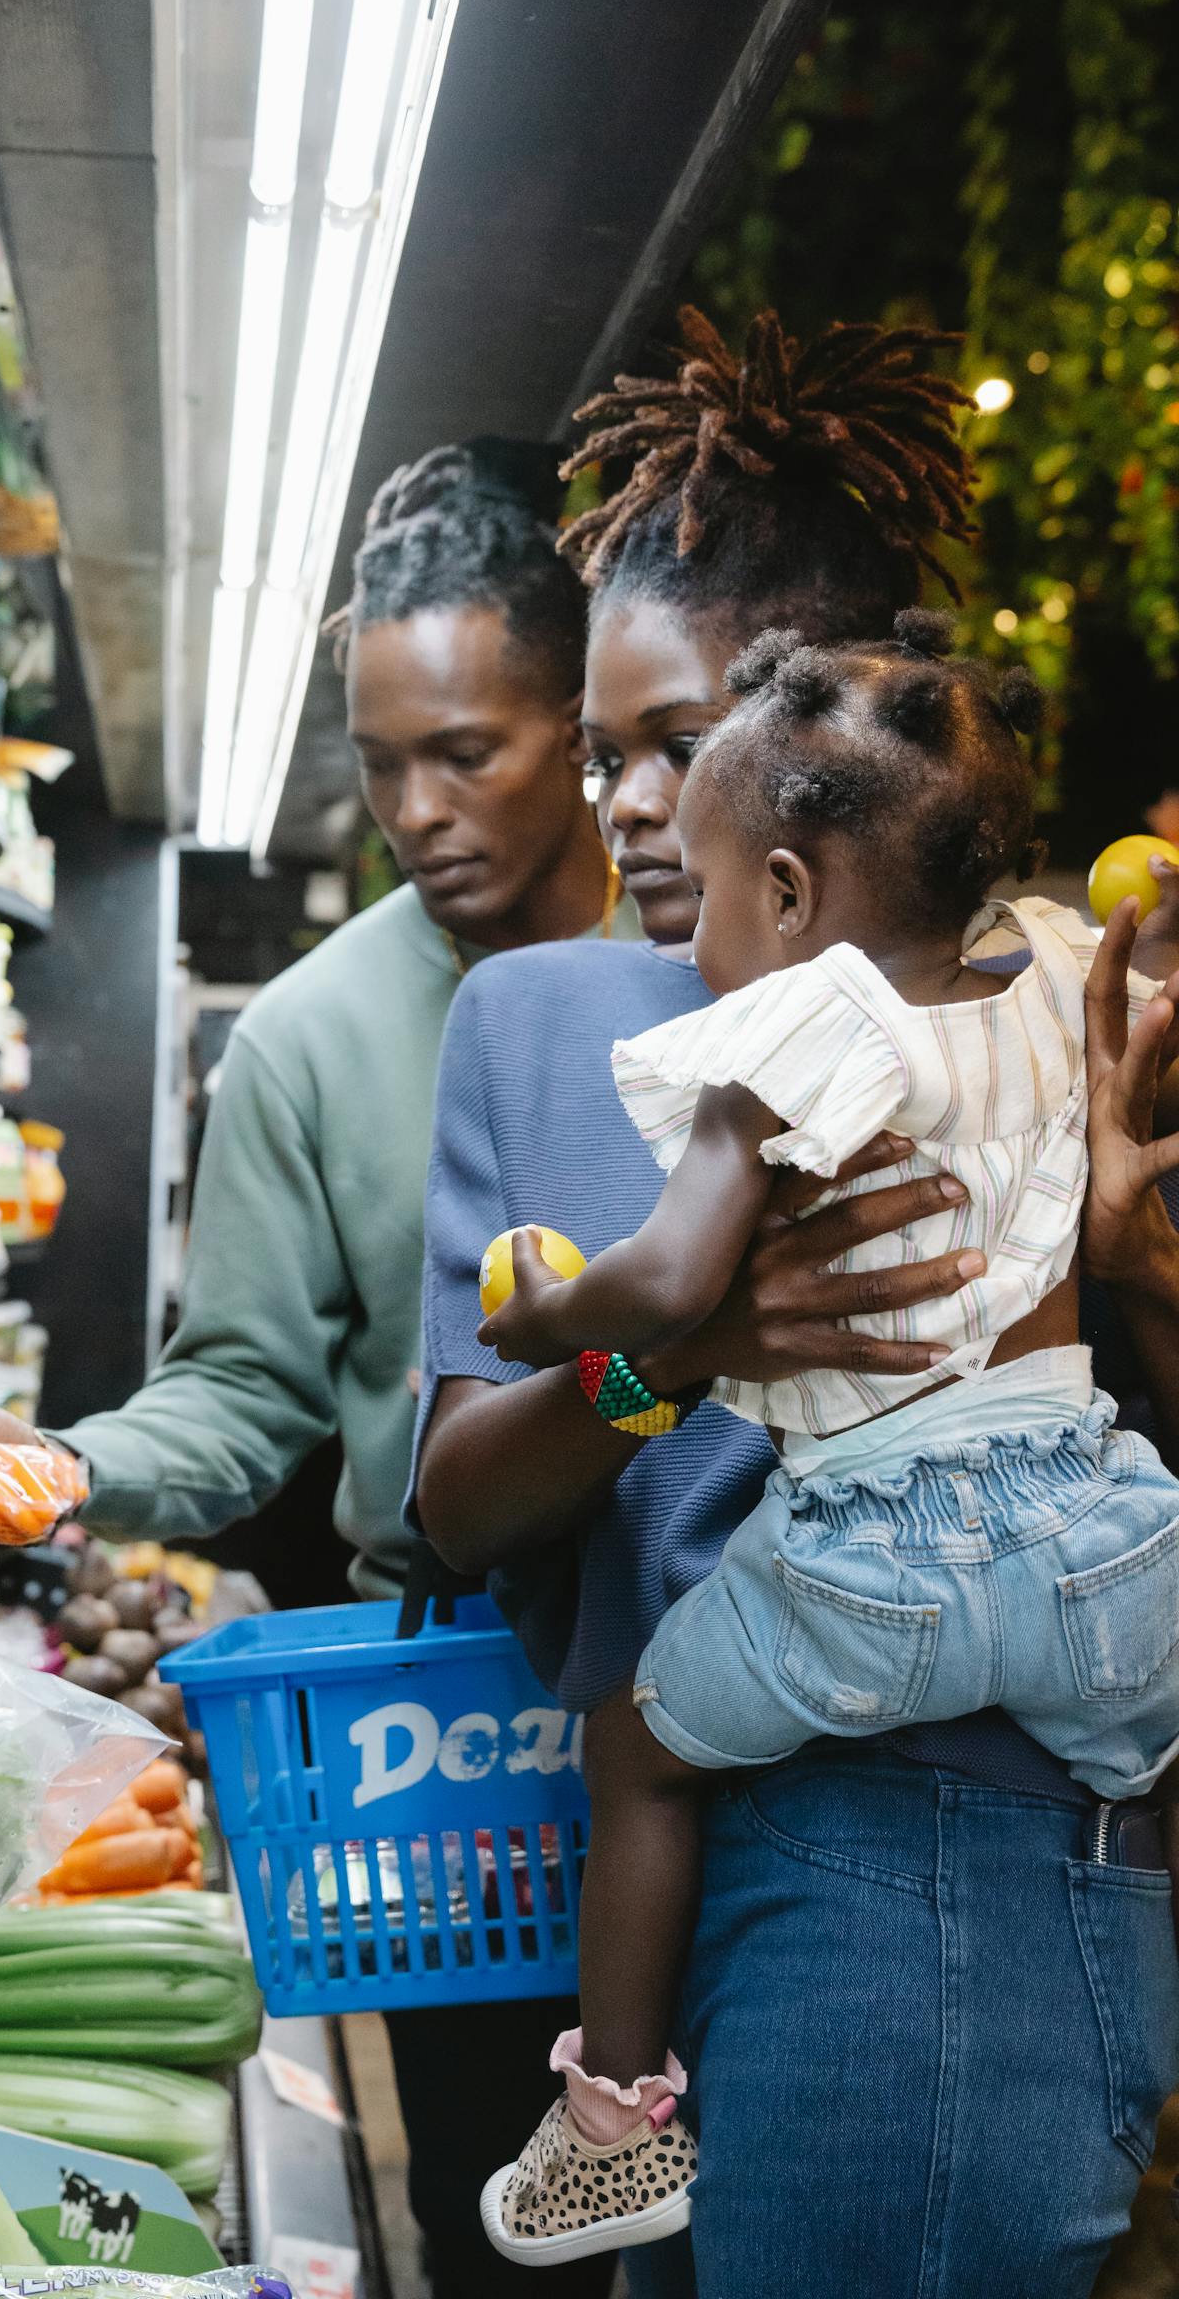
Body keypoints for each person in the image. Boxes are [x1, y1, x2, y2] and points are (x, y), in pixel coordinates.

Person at [0, 431, 991, 2299]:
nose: (425, 810)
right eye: (380, 765)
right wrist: (51, 1464)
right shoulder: (323, 1039)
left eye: (481, 751)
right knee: (500, 2241)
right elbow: (253, 1385)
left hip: (817, 1746)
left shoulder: (767, 954)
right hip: (458, 1718)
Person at [412, 307, 1179, 2298]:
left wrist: (1124, 1252)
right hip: (678, 1870)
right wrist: (683, 1351)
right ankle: (612, 2125)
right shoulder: (530, 1021)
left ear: (816, 739)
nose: (631, 811)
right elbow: (456, 1504)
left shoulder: (1043, 987)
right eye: (597, 755)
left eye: (676, 748)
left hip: (953, 1866)